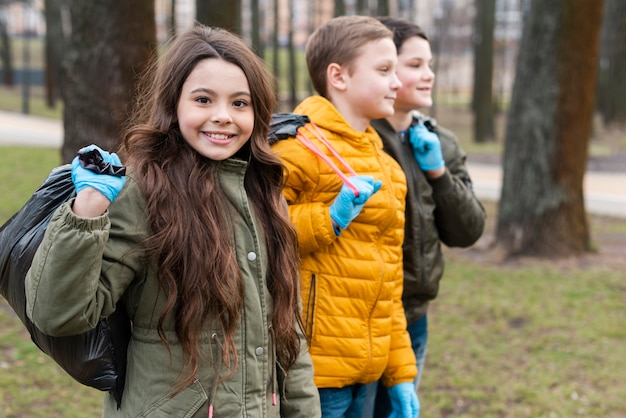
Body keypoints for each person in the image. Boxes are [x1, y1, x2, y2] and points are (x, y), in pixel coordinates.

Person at [24, 25, 320, 418]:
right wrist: (88, 211)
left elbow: (287, 332)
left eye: (239, 103)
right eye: (203, 99)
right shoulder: (144, 194)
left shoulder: (264, 193)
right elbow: (58, 315)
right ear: (173, 104)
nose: (222, 117)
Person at [270, 15, 420, 418]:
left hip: (368, 373)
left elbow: (389, 283)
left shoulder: (388, 168)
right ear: (338, 76)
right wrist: (328, 220)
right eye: (384, 70)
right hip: (313, 375)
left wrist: (401, 372)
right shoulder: (299, 148)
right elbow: (257, 234)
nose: (397, 82)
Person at [367, 16, 486, 417]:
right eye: (414, 65)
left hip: (414, 318)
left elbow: (468, 231)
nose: (428, 75)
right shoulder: (355, 141)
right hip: (357, 321)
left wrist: (438, 173)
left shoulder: (440, 141)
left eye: (429, 65)